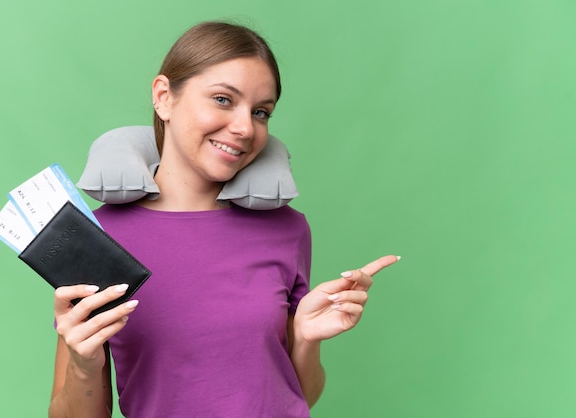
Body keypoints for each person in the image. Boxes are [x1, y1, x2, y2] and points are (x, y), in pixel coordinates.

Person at [48, 21, 399, 418]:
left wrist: (305, 338)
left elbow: (298, 396)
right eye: (222, 99)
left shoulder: (288, 229)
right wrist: (83, 363)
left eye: (261, 112)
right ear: (164, 97)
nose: (245, 128)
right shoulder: (98, 237)